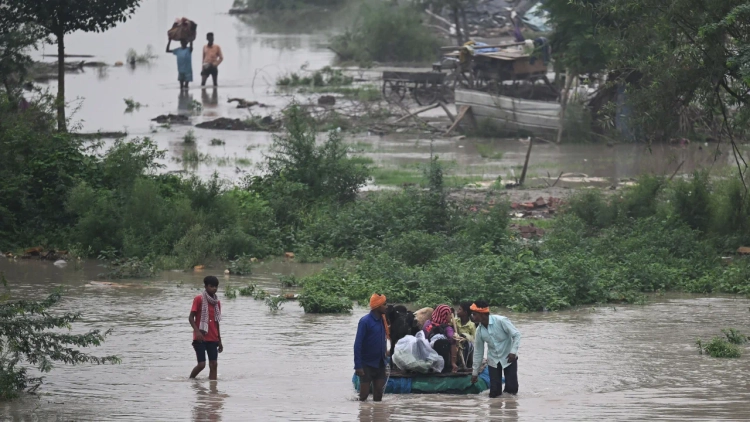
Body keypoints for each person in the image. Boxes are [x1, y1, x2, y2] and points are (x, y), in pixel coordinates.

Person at [470, 300, 521, 397]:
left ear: (482, 314)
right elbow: (478, 352)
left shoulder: (501, 321)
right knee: (494, 393)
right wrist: (475, 373)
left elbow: (516, 335)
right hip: (493, 360)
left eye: (474, 314)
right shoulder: (479, 331)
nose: (473, 317)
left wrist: (513, 352)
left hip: (509, 358)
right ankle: (495, 411)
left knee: (512, 390)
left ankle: (510, 410)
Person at [353, 293, 389, 402]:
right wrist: (358, 366)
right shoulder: (365, 321)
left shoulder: (384, 321)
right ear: (378, 306)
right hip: (366, 364)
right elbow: (357, 344)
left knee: (378, 396)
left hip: (380, 363)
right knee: (363, 396)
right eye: (384, 304)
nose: (386, 307)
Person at [189, 276, 223, 380]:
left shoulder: (217, 303)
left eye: (215, 287)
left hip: (213, 337)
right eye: (211, 286)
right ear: (205, 286)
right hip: (200, 337)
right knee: (201, 365)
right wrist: (197, 332)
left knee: (214, 364)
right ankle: (191, 380)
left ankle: (213, 389)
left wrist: (219, 340)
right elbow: (191, 318)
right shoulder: (199, 299)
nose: (214, 289)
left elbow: (217, 322)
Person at [422, 304, 458, 373]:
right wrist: (453, 362)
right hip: (442, 360)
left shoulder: (427, 323)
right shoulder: (448, 329)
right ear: (444, 315)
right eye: (449, 314)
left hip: (427, 357)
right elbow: (453, 342)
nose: (451, 316)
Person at [453, 301, 477, 369]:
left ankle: (464, 365)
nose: (457, 311)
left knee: (468, 343)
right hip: (457, 347)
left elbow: (474, 338)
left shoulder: (471, 325)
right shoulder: (455, 321)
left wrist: (465, 338)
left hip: (467, 349)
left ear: (465, 313)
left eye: (460, 309)